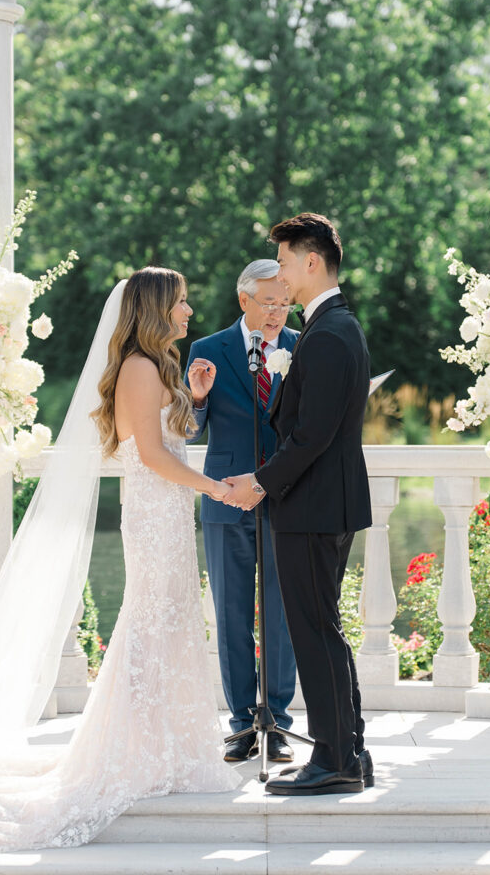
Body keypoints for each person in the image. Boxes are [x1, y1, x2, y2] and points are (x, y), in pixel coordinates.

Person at [0, 267, 238, 854]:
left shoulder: (158, 366)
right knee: (150, 624)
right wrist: (216, 488)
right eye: (180, 302)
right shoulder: (138, 367)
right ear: (156, 309)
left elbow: (167, 435)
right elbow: (152, 455)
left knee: (171, 623)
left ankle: (165, 748)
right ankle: (129, 751)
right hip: (155, 513)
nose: (188, 311)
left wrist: (195, 397)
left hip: (168, 512)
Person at [223, 214, 374, 797]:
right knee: (323, 629)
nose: (281, 275)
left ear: (312, 262)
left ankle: (335, 759)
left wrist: (259, 484)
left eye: (285, 262)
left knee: (315, 633)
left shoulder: (330, 334)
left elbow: (312, 436)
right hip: (322, 504)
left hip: (313, 508)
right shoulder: (331, 326)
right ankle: (350, 751)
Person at [186, 260, 298, 763]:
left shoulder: (303, 346)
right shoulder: (207, 350)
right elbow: (188, 431)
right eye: (269, 302)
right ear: (244, 300)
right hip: (227, 499)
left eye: (285, 303)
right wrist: (197, 398)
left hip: (287, 497)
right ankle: (240, 725)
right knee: (232, 616)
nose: (277, 312)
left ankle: (277, 722)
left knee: (282, 616)